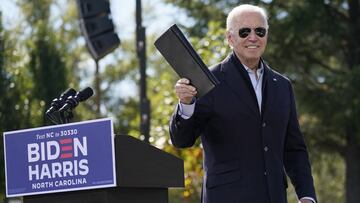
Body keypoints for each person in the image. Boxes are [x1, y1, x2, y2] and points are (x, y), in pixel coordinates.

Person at [169, 4, 317, 203]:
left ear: (267, 36)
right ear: (230, 38)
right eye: (244, 31)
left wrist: (307, 196)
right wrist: (186, 104)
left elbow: (294, 149)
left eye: (260, 31)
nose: (253, 37)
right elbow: (182, 140)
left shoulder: (282, 86)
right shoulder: (209, 80)